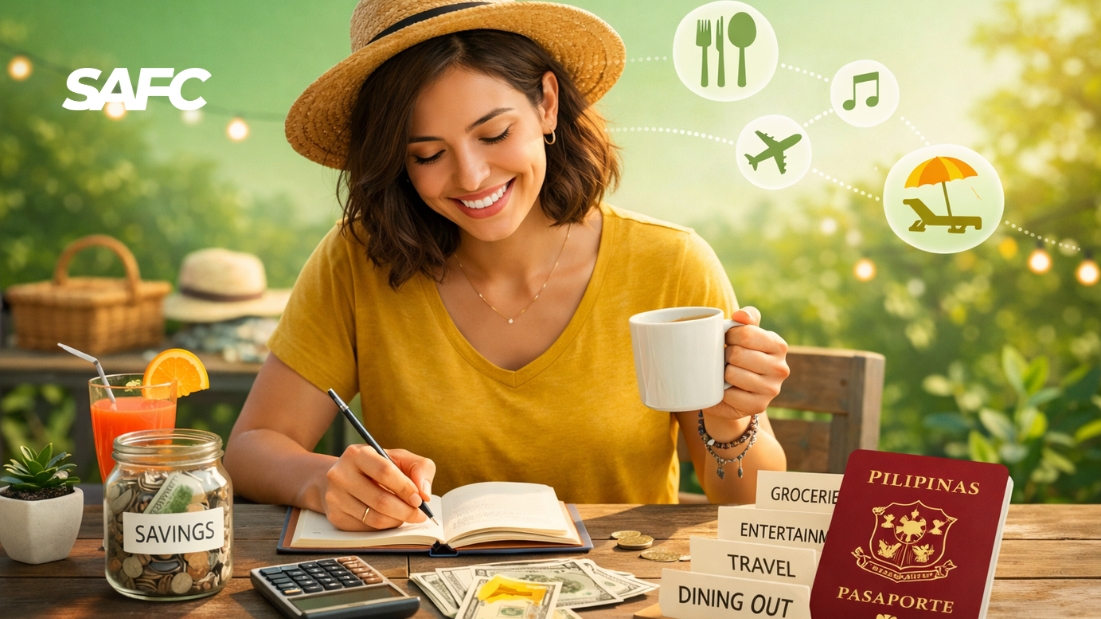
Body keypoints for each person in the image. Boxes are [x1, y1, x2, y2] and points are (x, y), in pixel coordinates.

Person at [224, 0, 790, 532]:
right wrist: (321, 481)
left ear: (546, 104)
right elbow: (252, 445)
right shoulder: (358, 259)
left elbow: (749, 506)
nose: (470, 177)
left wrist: (731, 423)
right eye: (428, 154)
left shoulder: (669, 264)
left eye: (494, 133)